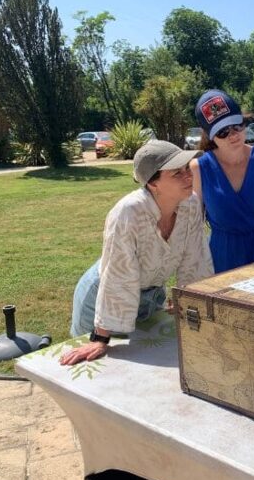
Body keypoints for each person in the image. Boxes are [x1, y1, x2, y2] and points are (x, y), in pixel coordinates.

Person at [60, 140, 213, 366]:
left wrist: (190, 304)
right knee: (96, 367)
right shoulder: (128, 212)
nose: (188, 176)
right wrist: (100, 337)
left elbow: (195, 260)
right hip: (102, 299)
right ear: (153, 183)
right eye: (176, 174)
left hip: (151, 296)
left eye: (186, 169)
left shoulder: (190, 205)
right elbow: (117, 274)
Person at [190, 89, 254, 273]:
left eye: (237, 126)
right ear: (209, 135)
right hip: (223, 261)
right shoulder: (199, 168)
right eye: (223, 132)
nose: (233, 135)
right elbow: (193, 230)